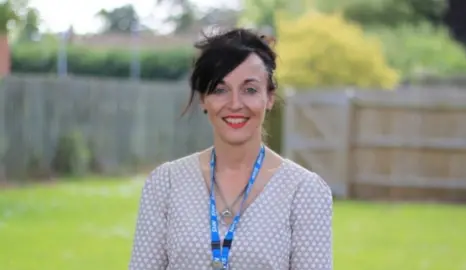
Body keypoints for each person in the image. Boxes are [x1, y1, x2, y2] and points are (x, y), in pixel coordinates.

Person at [128, 28, 333, 270]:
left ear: (269, 98)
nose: (235, 104)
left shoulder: (304, 191)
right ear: (203, 98)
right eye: (220, 89)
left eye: (250, 90)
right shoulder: (166, 184)